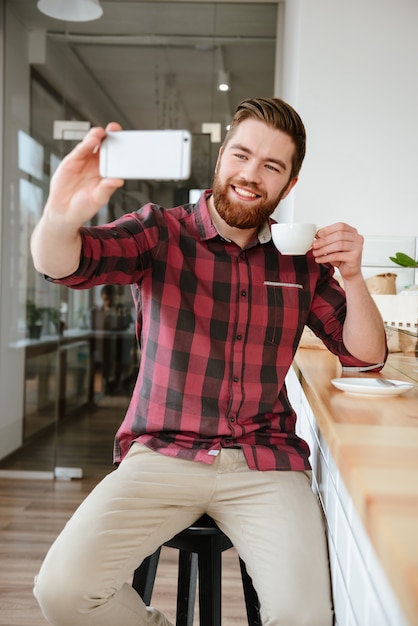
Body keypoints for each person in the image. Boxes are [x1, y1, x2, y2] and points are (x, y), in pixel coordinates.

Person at [30, 97, 387, 626]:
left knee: (305, 616)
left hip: (266, 462)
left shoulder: (299, 261)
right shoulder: (159, 231)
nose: (250, 174)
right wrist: (60, 218)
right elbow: (69, 264)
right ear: (221, 159)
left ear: (288, 185)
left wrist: (354, 278)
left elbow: (365, 356)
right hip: (162, 452)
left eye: (271, 165)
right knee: (62, 592)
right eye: (242, 155)